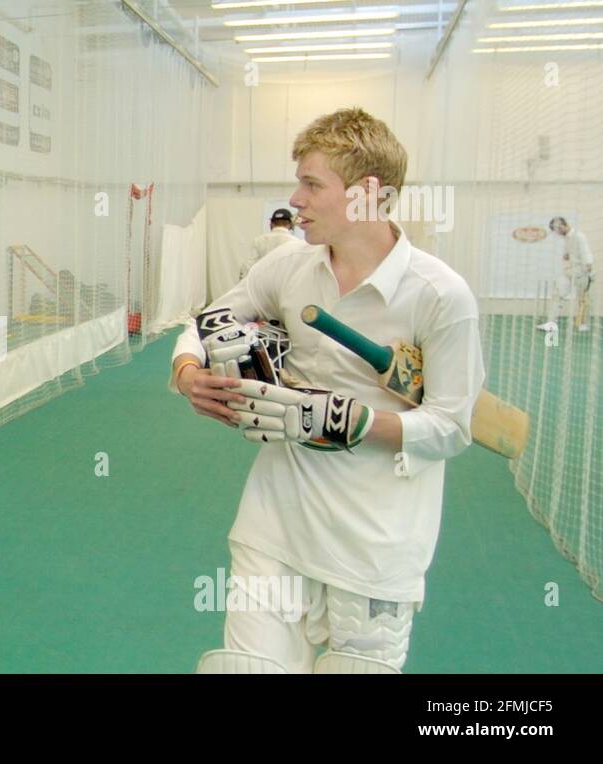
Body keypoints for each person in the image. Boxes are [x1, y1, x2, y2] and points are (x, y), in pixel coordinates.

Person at [170, 108, 484, 673]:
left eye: (312, 184)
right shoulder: (290, 268)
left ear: (366, 194)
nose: (296, 199)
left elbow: (453, 427)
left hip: (376, 544)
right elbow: (206, 320)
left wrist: (351, 421)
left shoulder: (441, 296)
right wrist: (189, 374)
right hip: (275, 523)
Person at [538, 217, 593, 333]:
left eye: (558, 228)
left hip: (582, 272)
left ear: (565, 225)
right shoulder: (566, 239)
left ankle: (582, 324)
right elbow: (569, 253)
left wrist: (588, 273)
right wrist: (566, 255)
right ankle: (551, 324)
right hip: (569, 271)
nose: (557, 232)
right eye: (555, 230)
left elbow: (586, 252)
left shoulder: (579, 236)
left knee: (581, 299)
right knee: (557, 293)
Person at [239, 208, 300, 280]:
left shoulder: (259, 240)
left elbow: (248, 266)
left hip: (262, 284)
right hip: (284, 285)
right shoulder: (295, 242)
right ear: (290, 224)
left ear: (271, 223)